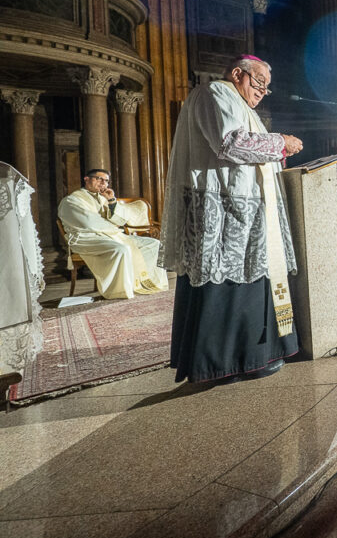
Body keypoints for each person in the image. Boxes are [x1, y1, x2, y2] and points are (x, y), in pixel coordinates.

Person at [160, 54, 304, 383]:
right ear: (238, 74)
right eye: (259, 84)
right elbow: (230, 143)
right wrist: (281, 142)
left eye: (266, 89)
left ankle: (251, 358)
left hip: (244, 213)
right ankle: (223, 365)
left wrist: (275, 154)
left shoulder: (239, 104)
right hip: (223, 214)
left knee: (248, 285)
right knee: (225, 284)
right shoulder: (216, 94)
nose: (261, 92)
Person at [57, 168, 168, 300]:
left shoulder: (104, 198)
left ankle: (151, 283)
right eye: (99, 179)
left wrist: (111, 201)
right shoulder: (71, 200)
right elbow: (88, 223)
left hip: (111, 235)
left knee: (154, 244)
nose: (103, 183)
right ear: (86, 179)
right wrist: (113, 227)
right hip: (86, 238)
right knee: (121, 249)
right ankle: (119, 292)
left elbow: (120, 220)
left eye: (106, 181)